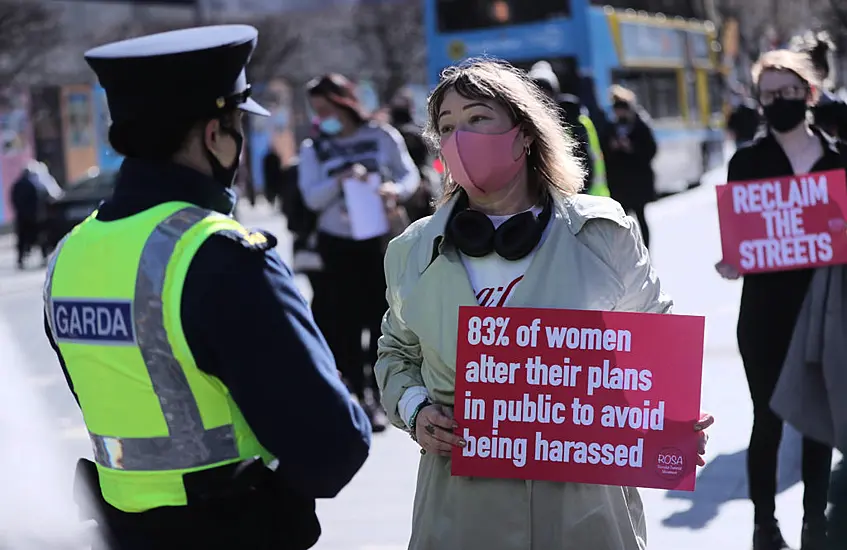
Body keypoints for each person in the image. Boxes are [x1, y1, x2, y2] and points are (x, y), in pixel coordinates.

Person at [42, 25, 371, 550]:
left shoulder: (70, 255)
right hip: (230, 529)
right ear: (216, 133)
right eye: (238, 125)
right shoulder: (218, 254)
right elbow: (330, 451)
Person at [374, 59, 713, 550]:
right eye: (446, 127)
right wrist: (415, 408)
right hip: (462, 515)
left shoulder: (603, 235)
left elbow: (653, 344)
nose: (460, 137)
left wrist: (671, 421)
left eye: (477, 118)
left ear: (524, 132)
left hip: (585, 511)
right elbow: (396, 352)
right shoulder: (412, 251)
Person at [715, 49, 836, 550]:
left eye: (787, 93)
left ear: (809, 94)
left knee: (818, 421)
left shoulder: (840, 158)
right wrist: (733, 261)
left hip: (829, 310)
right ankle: (765, 525)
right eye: (768, 96)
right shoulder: (746, 161)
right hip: (765, 313)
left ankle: (815, 522)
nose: (777, 103)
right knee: (767, 419)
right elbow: (742, 239)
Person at [298, 73, 420, 432]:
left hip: (379, 239)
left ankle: (383, 389)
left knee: (380, 316)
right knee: (344, 321)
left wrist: (391, 190)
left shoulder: (381, 136)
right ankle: (359, 395)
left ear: (344, 102)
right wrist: (340, 180)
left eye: (326, 108)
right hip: (337, 243)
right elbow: (311, 196)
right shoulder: (314, 148)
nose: (322, 117)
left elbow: (407, 175)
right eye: (316, 111)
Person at [603, 85, 657, 249]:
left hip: (638, 182)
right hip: (620, 183)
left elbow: (651, 150)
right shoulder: (611, 127)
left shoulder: (640, 125)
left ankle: (646, 251)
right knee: (622, 221)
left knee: (640, 218)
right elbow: (604, 151)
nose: (619, 113)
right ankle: (628, 253)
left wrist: (631, 148)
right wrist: (612, 147)